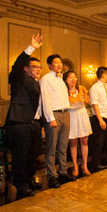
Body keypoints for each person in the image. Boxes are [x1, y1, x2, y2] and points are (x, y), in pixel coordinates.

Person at [4, 34, 44, 198]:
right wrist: (31, 48)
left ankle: (29, 179)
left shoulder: (37, 82)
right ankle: (20, 183)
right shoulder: (19, 78)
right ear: (26, 68)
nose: (37, 70)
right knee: (20, 156)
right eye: (34, 67)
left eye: (39, 68)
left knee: (32, 154)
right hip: (20, 122)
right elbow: (17, 65)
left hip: (34, 123)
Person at [40, 54, 72, 188]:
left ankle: (63, 172)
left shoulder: (60, 79)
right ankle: (52, 175)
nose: (59, 65)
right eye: (56, 62)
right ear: (49, 65)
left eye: (60, 62)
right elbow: (45, 100)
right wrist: (50, 118)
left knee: (63, 146)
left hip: (65, 113)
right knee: (51, 148)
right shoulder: (45, 79)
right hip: (54, 114)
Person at [89, 67, 107, 170]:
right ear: (103, 75)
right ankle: (96, 163)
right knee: (99, 141)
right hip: (100, 116)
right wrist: (100, 120)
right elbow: (95, 105)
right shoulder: (95, 88)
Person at [64, 70, 92, 177]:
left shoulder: (81, 88)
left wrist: (85, 99)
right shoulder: (64, 91)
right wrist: (77, 98)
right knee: (73, 142)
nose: (73, 79)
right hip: (71, 115)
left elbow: (87, 100)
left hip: (82, 113)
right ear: (66, 80)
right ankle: (75, 165)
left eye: (74, 77)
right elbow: (69, 101)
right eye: (70, 77)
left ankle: (84, 165)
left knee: (84, 141)